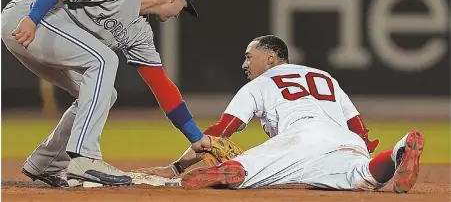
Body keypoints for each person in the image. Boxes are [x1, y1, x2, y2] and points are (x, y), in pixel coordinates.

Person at [1, 0, 212, 188]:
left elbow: (160, 84)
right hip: (28, 17)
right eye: (184, 7)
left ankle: (47, 162)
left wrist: (196, 137)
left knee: (104, 93)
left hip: (49, 35)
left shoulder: (140, 32)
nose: (179, 14)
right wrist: (32, 18)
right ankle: (85, 157)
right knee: (103, 60)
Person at [146, 35, 424, 193]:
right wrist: (359, 148)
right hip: (344, 141)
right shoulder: (323, 76)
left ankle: (234, 169)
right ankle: (398, 150)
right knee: (362, 177)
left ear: (270, 59)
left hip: (301, 136)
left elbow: (220, 131)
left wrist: (177, 167)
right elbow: (358, 127)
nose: (244, 64)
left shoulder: (260, 83)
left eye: (248, 56)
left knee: (251, 168)